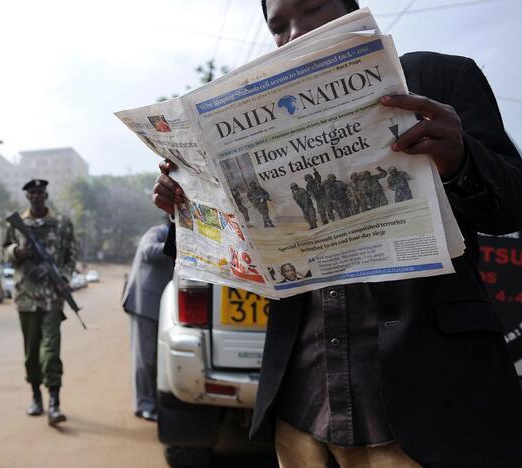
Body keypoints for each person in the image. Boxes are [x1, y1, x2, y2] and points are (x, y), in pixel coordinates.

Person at [152, 0, 522, 466]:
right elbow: (235, 255)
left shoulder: (438, 80)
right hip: (303, 410)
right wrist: (185, 206)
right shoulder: (250, 121)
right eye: (279, 26)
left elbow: (512, 204)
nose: (295, 35)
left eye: (311, 10)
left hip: (426, 407)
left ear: (352, 11)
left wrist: (462, 159)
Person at [3, 179, 77, 426]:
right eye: (32, 193)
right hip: (26, 296)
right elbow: (5, 248)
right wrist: (17, 252)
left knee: (51, 350)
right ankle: (36, 397)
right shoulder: (16, 223)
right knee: (31, 352)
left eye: (40, 192)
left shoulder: (62, 223)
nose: (36, 196)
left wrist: (64, 278)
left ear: (46, 194)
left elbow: (71, 255)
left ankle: (55, 402)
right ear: (27, 197)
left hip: (52, 297)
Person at [121, 223, 174, 422]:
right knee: (145, 359)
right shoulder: (159, 232)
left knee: (156, 360)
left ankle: (151, 402)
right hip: (144, 303)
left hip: (160, 306)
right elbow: (146, 251)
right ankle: (144, 405)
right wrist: (174, 244)